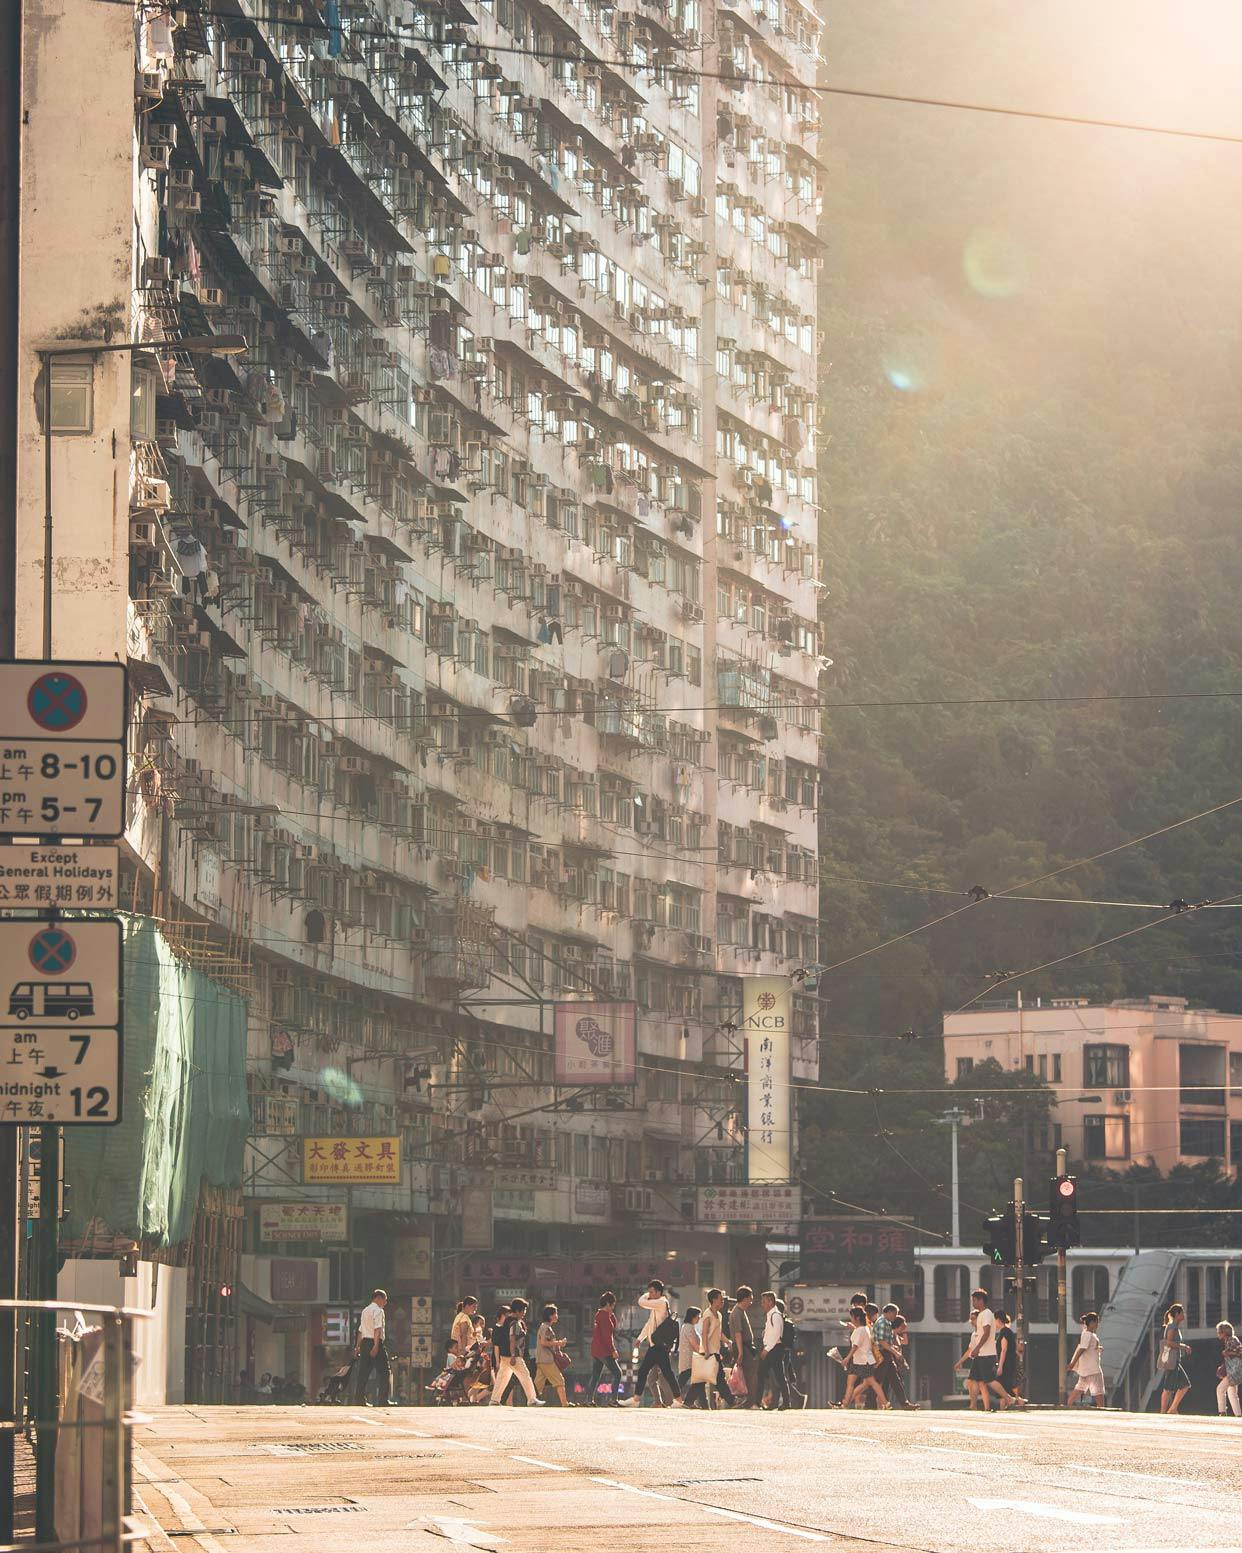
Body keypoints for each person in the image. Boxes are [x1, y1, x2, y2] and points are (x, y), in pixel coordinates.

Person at [625, 1279, 682, 1406]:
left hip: (658, 1346)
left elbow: (641, 1302)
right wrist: (640, 1338)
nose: (649, 1295)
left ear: (658, 1292)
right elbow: (649, 1324)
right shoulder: (658, 1305)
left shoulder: (661, 1302)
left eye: (651, 1292)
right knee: (663, 1372)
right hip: (656, 1345)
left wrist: (646, 1295)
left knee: (650, 1371)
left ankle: (636, 1399)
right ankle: (677, 1399)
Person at [956, 1288, 1010, 1412]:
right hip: (981, 1354)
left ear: (981, 1300)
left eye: (974, 1300)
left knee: (989, 1380)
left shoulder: (986, 1314)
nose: (973, 1303)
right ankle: (973, 1406)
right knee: (972, 1380)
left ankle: (1008, 1398)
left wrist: (977, 1348)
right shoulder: (982, 1314)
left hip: (986, 1354)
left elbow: (986, 1333)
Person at [490, 1297, 545, 1406]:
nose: (524, 1313)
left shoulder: (507, 1320)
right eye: (524, 1310)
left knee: (503, 1377)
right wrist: (514, 1355)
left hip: (504, 1354)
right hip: (513, 1355)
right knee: (525, 1376)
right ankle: (532, 1399)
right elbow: (512, 1339)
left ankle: (494, 1400)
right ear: (518, 1310)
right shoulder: (514, 1323)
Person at [844, 1307, 889, 1409]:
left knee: (869, 1383)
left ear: (857, 1318)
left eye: (852, 1317)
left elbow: (855, 1345)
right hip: (861, 1361)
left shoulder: (860, 1330)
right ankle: (845, 1403)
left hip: (863, 1361)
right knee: (857, 1383)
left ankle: (885, 1403)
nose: (851, 1319)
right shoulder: (865, 1328)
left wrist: (847, 1358)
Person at [875, 1304, 917, 1410]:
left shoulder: (887, 1323)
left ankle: (904, 1403)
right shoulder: (883, 1322)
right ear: (889, 1312)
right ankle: (869, 1403)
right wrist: (895, 1352)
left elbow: (888, 1342)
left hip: (887, 1354)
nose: (895, 1316)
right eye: (895, 1313)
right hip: (883, 1354)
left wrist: (893, 1350)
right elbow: (882, 1341)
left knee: (894, 1380)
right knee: (877, 1381)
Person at [354, 1288, 391, 1405]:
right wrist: (376, 1346)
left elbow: (360, 1330)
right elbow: (377, 1329)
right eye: (385, 1300)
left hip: (364, 1343)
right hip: (375, 1343)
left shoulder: (365, 1310)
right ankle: (383, 1400)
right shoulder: (378, 1311)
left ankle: (359, 1399)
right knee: (384, 1372)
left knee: (363, 1372)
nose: (385, 1303)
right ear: (379, 1298)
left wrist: (357, 1346)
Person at [758, 1290, 790, 1410]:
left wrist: (767, 1349)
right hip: (771, 1348)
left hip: (774, 1349)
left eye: (764, 1301)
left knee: (777, 1376)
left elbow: (776, 1335)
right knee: (771, 1376)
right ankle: (759, 1401)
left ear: (771, 1302)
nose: (762, 1304)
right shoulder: (770, 1315)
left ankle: (785, 1402)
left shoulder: (775, 1315)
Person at [588, 1292, 622, 1406]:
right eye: (612, 1305)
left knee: (595, 1375)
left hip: (596, 1350)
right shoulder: (605, 1317)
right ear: (608, 1304)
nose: (613, 1307)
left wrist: (611, 1314)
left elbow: (613, 1325)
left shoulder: (598, 1314)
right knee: (618, 1373)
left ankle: (589, 1400)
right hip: (604, 1351)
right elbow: (608, 1336)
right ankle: (613, 1400)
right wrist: (613, 1350)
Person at [1065, 1311, 1104, 1408]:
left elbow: (1086, 1349)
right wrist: (1072, 1364)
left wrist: (1098, 1349)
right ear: (1091, 1323)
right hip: (1093, 1370)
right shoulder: (1088, 1334)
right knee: (1099, 1397)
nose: (1097, 1324)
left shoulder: (1089, 1334)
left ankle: (1067, 1409)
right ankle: (1103, 1415)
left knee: (1076, 1393)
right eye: (1096, 1322)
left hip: (1085, 1371)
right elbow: (1081, 1349)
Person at [1158, 1301, 1191, 1415]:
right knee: (1168, 1388)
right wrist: (1183, 1346)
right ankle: (1163, 1411)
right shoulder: (1172, 1326)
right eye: (1182, 1312)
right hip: (1172, 1361)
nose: (1184, 1315)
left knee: (1185, 1385)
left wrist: (1182, 1347)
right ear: (1177, 1314)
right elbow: (1168, 1342)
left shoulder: (1174, 1326)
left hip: (1176, 1360)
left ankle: (1172, 1408)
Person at [533, 1303, 569, 1406]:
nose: (557, 1315)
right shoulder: (545, 1327)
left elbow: (547, 1342)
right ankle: (565, 1404)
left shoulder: (545, 1327)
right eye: (555, 1313)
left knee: (538, 1385)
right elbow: (543, 1342)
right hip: (546, 1360)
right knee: (559, 1381)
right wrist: (558, 1343)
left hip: (541, 1359)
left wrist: (558, 1344)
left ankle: (532, 1401)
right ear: (550, 1316)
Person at [729, 1286, 759, 1407]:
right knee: (749, 1374)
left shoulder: (741, 1312)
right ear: (744, 1299)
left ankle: (749, 1401)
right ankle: (750, 1401)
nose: (751, 1302)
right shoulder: (736, 1313)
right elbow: (738, 1333)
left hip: (746, 1347)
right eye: (750, 1299)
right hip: (743, 1347)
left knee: (748, 1374)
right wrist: (741, 1352)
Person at [677, 1304, 705, 1407]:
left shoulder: (688, 1327)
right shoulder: (688, 1328)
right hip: (689, 1360)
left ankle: (701, 1403)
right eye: (698, 1316)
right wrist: (703, 1354)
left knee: (698, 1381)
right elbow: (694, 1344)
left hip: (691, 1360)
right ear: (693, 1316)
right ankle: (679, 1400)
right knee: (687, 1382)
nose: (699, 1318)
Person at [995, 1312, 1025, 1407]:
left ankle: (1018, 1402)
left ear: (998, 1320)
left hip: (1006, 1364)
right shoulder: (1009, 1332)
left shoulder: (1004, 1332)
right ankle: (1017, 1402)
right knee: (1005, 1387)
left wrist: (1000, 1366)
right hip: (1010, 1363)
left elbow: (1004, 1349)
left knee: (1002, 1387)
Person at [1215, 1321, 1242, 1417]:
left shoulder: (1231, 1340)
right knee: (1232, 1393)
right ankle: (1238, 1415)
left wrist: (1228, 1353)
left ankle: (1222, 1412)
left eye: (1219, 1332)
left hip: (1234, 1371)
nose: (1218, 1334)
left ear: (1224, 1333)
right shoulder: (1229, 1340)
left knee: (1220, 1389)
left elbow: (1240, 1352)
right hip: (1234, 1370)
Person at [450, 1297, 479, 1363]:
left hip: (461, 1351)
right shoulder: (464, 1318)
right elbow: (463, 1335)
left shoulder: (460, 1316)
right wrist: (463, 1352)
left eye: (476, 1307)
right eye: (474, 1306)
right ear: (467, 1306)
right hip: (464, 1352)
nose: (475, 1309)